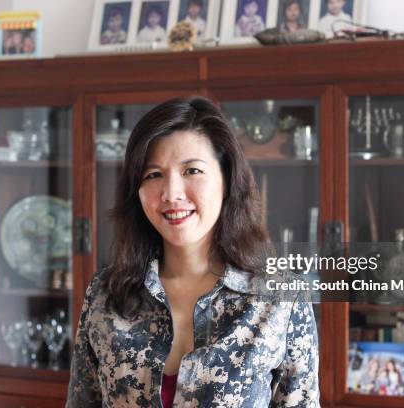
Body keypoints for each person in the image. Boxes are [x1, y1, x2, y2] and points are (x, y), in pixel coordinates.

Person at [65, 97, 320, 407]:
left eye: (192, 171)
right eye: (153, 175)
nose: (172, 193)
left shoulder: (281, 299)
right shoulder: (105, 294)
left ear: (227, 180)